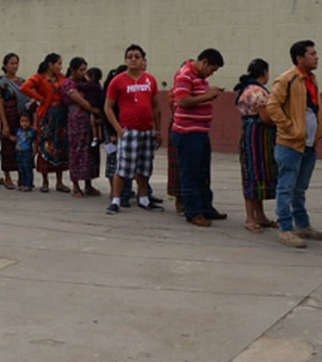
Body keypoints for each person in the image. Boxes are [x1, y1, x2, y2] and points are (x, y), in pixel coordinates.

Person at [266, 40, 322, 248]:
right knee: (286, 187)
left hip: (309, 144)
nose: (316, 56)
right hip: (290, 143)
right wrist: (288, 127)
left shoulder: (311, 79)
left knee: (300, 188)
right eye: (312, 54)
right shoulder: (287, 79)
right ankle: (285, 228)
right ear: (300, 58)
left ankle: (302, 224)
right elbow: (272, 106)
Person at [103, 44, 164, 215]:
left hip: (147, 131)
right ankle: (116, 200)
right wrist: (118, 129)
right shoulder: (118, 80)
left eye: (137, 56)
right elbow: (108, 107)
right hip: (128, 131)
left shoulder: (150, 80)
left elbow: (156, 107)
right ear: (125, 60)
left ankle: (143, 198)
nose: (133, 59)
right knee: (123, 168)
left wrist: (158, 130)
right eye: (130, 56)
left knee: (144, 167)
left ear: (143, 59)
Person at [172, 49, 227, 227]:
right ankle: (193, 211)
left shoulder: (200, 78)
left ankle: (205, 207)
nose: (212, 73)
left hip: (201, 131)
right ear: (204, 62)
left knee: (203, 172)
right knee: (191, 173)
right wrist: (207, 96)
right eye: (212, 69)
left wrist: (209, 92)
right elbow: (182, 100)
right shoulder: (185, 75)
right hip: (188, 132)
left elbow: (197, 96)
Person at [234, 58, 279, 233]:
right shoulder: (257, 92)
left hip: (251, 134)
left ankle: (259, 215)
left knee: (255, 174)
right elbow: (266, 117)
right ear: (264, 73)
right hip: (257, 137)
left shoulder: (246, 89)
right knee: (253, 174)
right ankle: (250, 218)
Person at [21, 53, 70, 193]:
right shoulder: (39, 77)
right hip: (47, 115)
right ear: (50, 64)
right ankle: (45, 181)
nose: (60, 67)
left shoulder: (61, 78)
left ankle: (60, 182)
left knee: (60, 145)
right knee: (45, 145)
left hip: (61, 115)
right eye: (58, 64)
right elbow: (24, 88)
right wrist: (39, 98)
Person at [60, 57, 103, 197]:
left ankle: (88, 184)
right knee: (77, 151)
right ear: (73, 70)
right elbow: (81, 101)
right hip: (76, 121)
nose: (84, 73)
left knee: (89, 151)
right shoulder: (68, 84)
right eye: (81, 70)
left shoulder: (85, 83)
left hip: (89, 122)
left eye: (85, 70)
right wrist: (96, 111)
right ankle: (76, 186)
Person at [0, 53, 27, 190]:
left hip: (21, 118)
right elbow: (0, 104)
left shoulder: (22, 82)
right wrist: (4, 123)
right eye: (12, 63)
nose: (14, 66)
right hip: (8, 115)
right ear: (5, 65)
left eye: (16, 63)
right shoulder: (1, 84)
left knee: (21, 146)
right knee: (7, 147)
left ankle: (21, 176)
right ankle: (7, 177)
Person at [15, 112, 37, 192]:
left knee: (28, 168)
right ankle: (23, 183)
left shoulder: (31, 132)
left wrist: (35, 150)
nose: (24, 123)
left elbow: (35, 141)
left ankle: (28, 184)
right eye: (22, 121)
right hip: (19, 152)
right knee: (21, 169)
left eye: (26, 121)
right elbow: (16, 139)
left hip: (27, 152)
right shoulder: (18, 131)